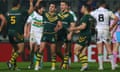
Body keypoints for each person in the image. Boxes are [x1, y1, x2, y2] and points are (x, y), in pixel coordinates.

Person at [90, 0, 118, 70]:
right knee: (108, 48)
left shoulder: (94, 12)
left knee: (99, 48)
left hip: (98, 30)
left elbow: (88, 18)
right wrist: (111, 27)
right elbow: (116, 19)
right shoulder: (108, 11)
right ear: (104, 4)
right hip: (106, 29)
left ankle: (101, 66)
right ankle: (113, 66)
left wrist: (92, 26)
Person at [34, 2, 62, 71]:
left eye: (52, 7)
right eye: (50, 6)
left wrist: (57, 28)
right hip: (45, 34)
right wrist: (38, 1)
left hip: (52, 35)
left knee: (53, 52)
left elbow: (60, 25)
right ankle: (37, 65)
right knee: (41, 50)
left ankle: (53, 66)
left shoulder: (57, 16)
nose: (50, 8)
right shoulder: (44, 13)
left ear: (55, 9)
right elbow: (36, 8)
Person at [6, 0, 34, 70]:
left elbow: (6, 23)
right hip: (18, 32)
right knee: (20, 49)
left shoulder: (8, 12)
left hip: (10, 32)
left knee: (15, 49)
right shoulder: (20, 11)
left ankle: (14, 67)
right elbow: (30, 11)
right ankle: (10, 62)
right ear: (18, 4)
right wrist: (31, 2)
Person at [69, 4, 96, 71]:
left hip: (84, 36)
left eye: (82, 7)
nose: (81, 8)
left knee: (76, 50)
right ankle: (85, 66)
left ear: (85, 8)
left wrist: (73, 28)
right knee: (83, 52)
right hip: (89, 36)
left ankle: (85, 65)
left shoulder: (85, 17)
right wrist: (77, 31)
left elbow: (83, 26)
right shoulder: (91, 17)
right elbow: (89, 28)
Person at [24, 0, 43, 69]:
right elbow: (27, 23)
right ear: (38, 10)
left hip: (40, 35)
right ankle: (31, 64)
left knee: (37, 50)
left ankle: (39, 63)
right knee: (32, 50)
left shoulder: (44, 17)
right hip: (33, 34)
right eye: (41, 9)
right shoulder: (33, 14)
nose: (42, 10)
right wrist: (26, 32)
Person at [57, 1, 75, 69]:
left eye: (63, 5)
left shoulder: (70, 15)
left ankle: (66, 65)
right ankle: (64, 61)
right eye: (61, 5)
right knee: (57, 50)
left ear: (67, 6)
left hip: (66, 34)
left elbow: (72, 25)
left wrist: (70, 34)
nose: (61, 6)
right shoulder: (58, 14)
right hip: (59, 35)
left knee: (67, 50)